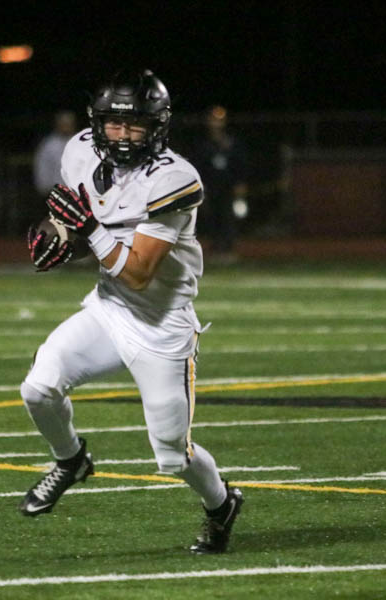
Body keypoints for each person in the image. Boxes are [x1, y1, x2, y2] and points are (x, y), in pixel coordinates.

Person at [20, 69, 244, 554]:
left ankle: (222, 504)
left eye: (135, 125)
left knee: (173, 455)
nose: (122, 136)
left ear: (157, 126)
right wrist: (61, 240)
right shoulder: (80, 151)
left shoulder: (174, 178)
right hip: (109, 307)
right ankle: (71, 459)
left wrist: (89, 232)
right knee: (38, 388)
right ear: (96, 122)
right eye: (114, 124)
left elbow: (139, 271)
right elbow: (77, 224)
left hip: (161, 324)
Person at [191, 105, 248, 262]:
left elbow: (240, 164)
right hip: (210, 187)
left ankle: (228, 249)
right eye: (213, 120)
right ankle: (215, 248)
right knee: (211, 217)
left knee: (228, 217)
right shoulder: (203, 144)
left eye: (220, 120)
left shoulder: (232, 142)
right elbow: (197, 165)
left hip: (228, 187)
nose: (216, 123)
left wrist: (240, 183)